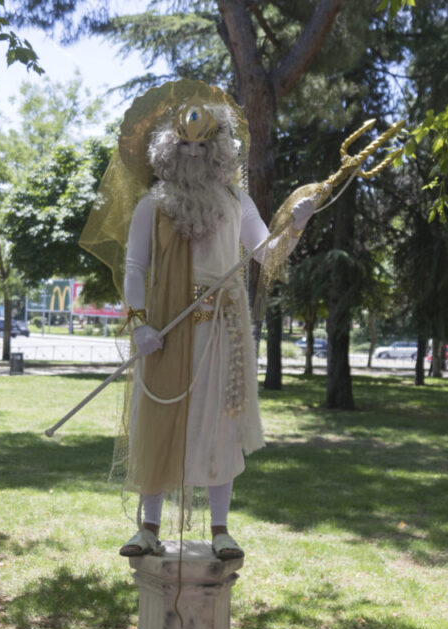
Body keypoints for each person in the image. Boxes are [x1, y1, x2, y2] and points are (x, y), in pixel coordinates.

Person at [79, 81, 314, 560]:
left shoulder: (237, 204)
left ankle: (221, 529)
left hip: (225, 330)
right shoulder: (152, 205)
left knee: (222, 425)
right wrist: (141, 323)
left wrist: (296, 224)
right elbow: (135, 267)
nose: (192, 154)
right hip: (166, 327)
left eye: (202, 146)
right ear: (168, 150)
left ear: (218, 151)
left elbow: (267, 255)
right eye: (183, 146)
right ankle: (148, 526)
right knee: (160, 419)